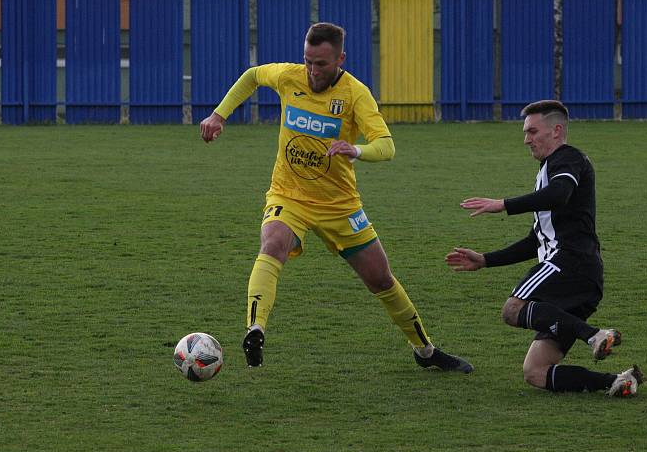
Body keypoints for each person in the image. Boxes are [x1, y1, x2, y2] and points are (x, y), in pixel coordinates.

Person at [200, 22, 472, 372]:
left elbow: (386, 146)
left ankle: (425, 351)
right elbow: (253, 75)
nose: (313, 71)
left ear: (341, 58)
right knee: (272, 244)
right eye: (308, 61)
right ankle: (255, 329)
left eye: (322, 64)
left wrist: (355, 150)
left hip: (340, 206)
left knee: (381, 280)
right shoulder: (288, 77)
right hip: (290, 194)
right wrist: (218, 114)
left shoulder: (356, 94)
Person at [445, 100, 642, 396]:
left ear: (556, 130)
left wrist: (504, 204)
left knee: (513, 310)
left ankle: (594, 335)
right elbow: (536, 240)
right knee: (535, 372)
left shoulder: (568, 158)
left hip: (570, 264)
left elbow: (560, 194)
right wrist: (485, 260)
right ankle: (618, 381)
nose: (526, 139)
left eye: (532, 131)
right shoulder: (547, 171)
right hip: (581, 277)